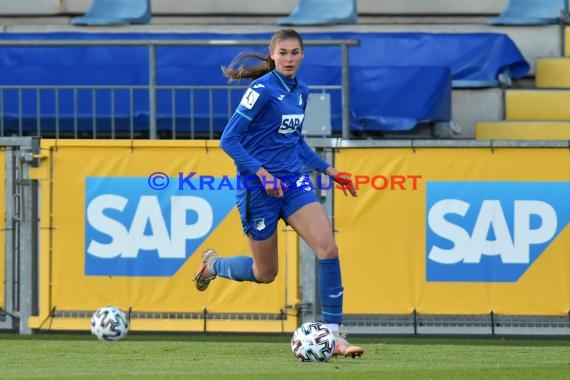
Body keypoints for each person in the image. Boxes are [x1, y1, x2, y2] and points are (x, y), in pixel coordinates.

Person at [194, 29, 363, 358]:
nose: (288, 58)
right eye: (283, 53)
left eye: (294, 52)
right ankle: (214, 265)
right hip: (258, 189)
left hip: (294, 183)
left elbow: (295, 142)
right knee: (265, 273)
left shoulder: (302, 91)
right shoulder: (261, 90)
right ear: (272, 55)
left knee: (328, 249)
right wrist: (261, 174)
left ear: (302, 55)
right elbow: (228, 140)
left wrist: (329, 171)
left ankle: (333, 336)